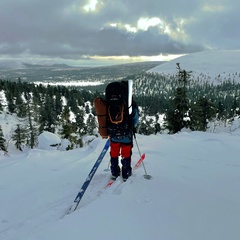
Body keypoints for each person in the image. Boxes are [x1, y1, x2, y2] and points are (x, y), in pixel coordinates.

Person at [106, 82, 139, 182]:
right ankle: (126, 172)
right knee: (126, 152)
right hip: (126, 134)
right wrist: (132, 127)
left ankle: (114, 172)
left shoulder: (110, 102)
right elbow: (135, 118)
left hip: (113, 133)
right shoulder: (129, 103)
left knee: (114, 152)